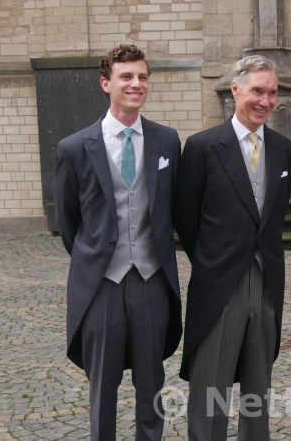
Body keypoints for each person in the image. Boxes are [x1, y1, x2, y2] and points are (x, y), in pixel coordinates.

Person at [52, 44, 183, 441]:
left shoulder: (166, 141)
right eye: (126, 77)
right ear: (105, 83)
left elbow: (171, 207)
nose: (136, 84)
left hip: (151, 279)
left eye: (142, 77)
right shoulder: (75, 148)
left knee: (151, 386)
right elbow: (68, 223)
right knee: (102, 388)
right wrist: (99, 258)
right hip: (101, 285)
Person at [175, 55, 291, 441]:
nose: (266, 100)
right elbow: (186, 217)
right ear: (236, 89)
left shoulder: (283, 149)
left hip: (266, 283)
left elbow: (272, 219)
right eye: (258, 91)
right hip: (218, 286)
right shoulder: (202, 147)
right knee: (211, 390)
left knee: (257, 392)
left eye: (273, 93)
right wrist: (214, 259)